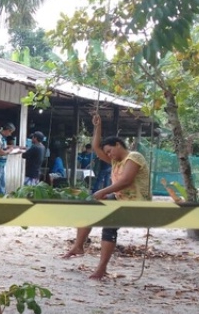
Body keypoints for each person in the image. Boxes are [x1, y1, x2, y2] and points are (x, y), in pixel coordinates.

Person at [63, 113, 151, 279]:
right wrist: (98, 126)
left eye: (110, 151)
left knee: (109, 226)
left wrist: (103, 191)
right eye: (107, 153)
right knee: (88, 209)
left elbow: (126, 181)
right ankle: (78, 246)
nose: (109, 155)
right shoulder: (116, 161)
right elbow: (96, 148)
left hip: (135, 203)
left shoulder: (134, 157)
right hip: (119, 199)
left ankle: (101, 269)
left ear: (118, 144)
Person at [0, 123, 19, 194]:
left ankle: (1, 195)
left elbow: (2, 148)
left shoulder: (2, 138)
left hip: (1, 163)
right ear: (7, 130)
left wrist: (7, 148)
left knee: (1, 181)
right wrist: (9, 150)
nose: (10, 134)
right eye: (10, 132)